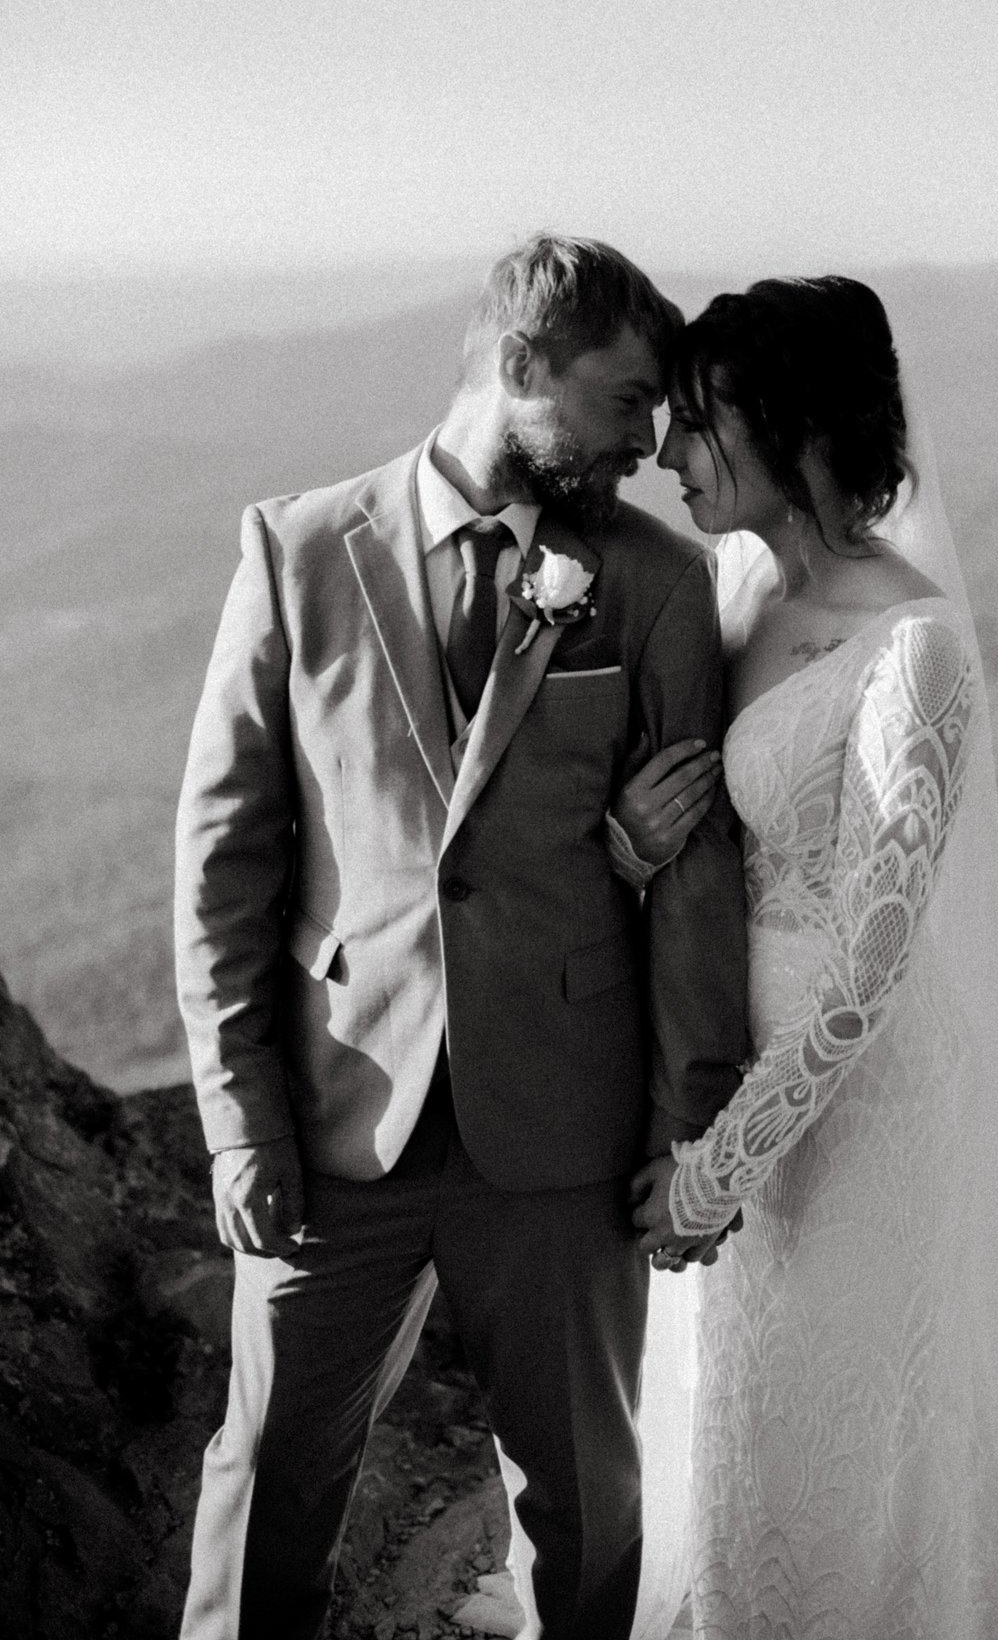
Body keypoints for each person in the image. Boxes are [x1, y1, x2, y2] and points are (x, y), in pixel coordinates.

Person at [173, 235, 749, 1640]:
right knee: (267, 1486)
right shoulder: (297, 549)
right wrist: (240, 1122)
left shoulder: (661, 585)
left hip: (564, 1136)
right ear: (518, 367)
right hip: (333, 1123)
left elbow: (693, 887)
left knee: (585, 1500)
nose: (644, 443)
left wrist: (689, 1131)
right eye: (622, 403)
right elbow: (224, 863)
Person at [619, 277, 998, 1638]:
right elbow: (705, 836)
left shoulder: (917, 648)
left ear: (798, 426)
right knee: (735, 1433)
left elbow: (876, 964)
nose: (668, 457)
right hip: (725, 1075)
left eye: (700, 425)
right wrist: (634, 849)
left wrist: (720, 1165)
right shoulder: (735, 588)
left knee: (839, 1447)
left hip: (863, 1111)